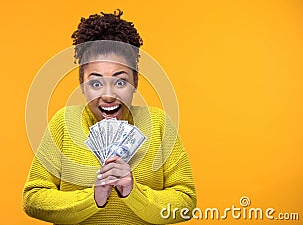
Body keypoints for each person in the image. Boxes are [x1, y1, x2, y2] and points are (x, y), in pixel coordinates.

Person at [23, 10, 197, 224]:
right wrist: (92, 197)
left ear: (135, 83)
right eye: (96, 83)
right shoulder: (64, 123)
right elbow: (33, 199)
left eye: (120, 81)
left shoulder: (158, 123)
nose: (108, 95)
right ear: (82, 85)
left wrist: (133, 191)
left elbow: (186, 202)